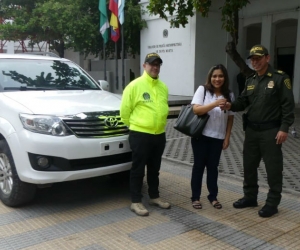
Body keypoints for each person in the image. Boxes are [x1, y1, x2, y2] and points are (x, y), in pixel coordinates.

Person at [221, 45, 295, 217]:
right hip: (252, 131)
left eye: (258, 58)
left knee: (273, 168)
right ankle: (250, 197)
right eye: (252, 59)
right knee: (249, 166)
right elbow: (243, 102)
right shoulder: (251, 80)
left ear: (267, 58)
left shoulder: (279, 78)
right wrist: (230, 105)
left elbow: (288, 106)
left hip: (271, 131)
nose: (255, 61)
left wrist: (284, 128)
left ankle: (272, 203)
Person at [120, 52, 170, 216]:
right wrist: (135, 126)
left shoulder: (163, 87)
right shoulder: (134, 86)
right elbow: (124, 112)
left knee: (155, 169)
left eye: (158, 64)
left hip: (159, 134)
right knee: (138, 169)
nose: (155, 67)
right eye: (152, 64)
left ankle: (154, 196)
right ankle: (136, 201)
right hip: (140, 134)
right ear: (144, 66)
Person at [190, 64, 234, 210]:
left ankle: (213, 197)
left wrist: (227, 137)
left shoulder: (229, 94)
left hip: (218, 137)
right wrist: (215, 103)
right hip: (201, 136)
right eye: (214, 76)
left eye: (220, 76)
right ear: (210, 77)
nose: (217, 79)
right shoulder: (203, 90)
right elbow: (196, 110)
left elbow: (230, 118)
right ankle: (195, 197)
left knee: (213, 168)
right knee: (198, 167)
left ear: (225, 78)